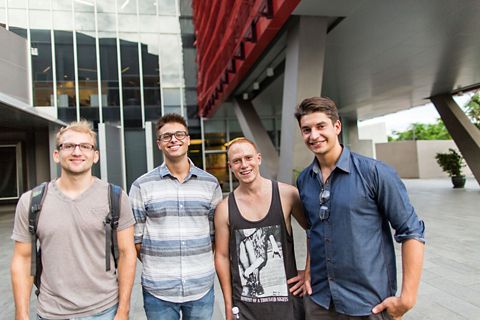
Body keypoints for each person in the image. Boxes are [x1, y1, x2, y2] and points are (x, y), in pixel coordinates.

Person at [294, 97, 425, 320]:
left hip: (368, 304)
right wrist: (308, 269)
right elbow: (312, 229)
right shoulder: (305, 180)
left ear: (337, 126)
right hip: (319, 301)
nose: (313, 135)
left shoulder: (375, 172)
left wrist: (407, 298)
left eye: (320, 126)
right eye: (306, 129)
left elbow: (411, 231)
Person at [10, 120, 137, 320]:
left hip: (105, 311)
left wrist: (124, 310)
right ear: (56, 155)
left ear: (95, 156)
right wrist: (21, 314)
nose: (77, 152)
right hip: (51, 313)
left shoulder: (115, 197)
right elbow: (23, 259)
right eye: (68, 146)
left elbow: (126, 254)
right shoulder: (32, 201)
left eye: (85, 146)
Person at [129, 113, 222, 320]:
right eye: (167, 136)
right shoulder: (141, 186)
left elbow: (214, 235)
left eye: (180, 134)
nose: (174, 140)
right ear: (159, 144)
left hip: (201, 287)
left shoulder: (210, 184)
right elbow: (136, 239)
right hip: (158, 290)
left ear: (188, 140)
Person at [215, 137, 308, 320]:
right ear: (230, 166)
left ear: (258, 158)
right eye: (237, 161)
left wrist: (309, 270)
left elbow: (316, 230)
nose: (244, 165)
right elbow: (222, 256)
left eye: (248, 158)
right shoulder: (224, 209)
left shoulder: (287, 195)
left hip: (287, 306)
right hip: (246, 308)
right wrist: (228, 306)